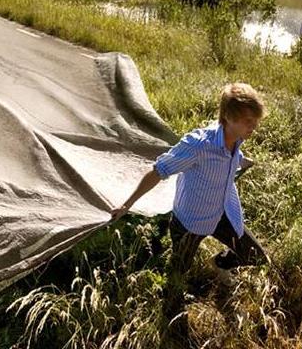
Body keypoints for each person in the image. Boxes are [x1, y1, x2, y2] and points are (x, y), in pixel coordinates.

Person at [110, 83, 268, 307]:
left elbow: (230, 155)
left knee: (256, 256)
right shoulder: (198, 145)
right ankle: (171, 311)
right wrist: (127, 205)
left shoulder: (236, 139)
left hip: (222, 213)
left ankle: (221, 264)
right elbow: (158, 170)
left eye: (255, 121)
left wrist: (242, 161)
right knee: (177, 276)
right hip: (190, 222)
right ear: (228, 117)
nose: (254, 127)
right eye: (248, 122)